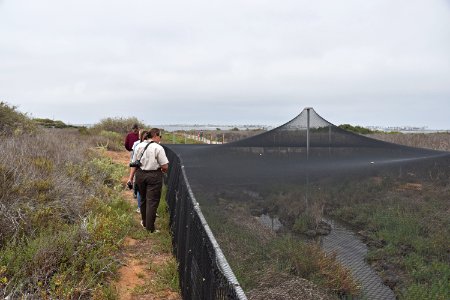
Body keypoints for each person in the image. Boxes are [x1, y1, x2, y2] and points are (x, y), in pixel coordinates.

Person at [128, 128, 169, 232]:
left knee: (143, 200)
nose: (160, 138)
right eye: (160, 136)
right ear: (155, 135)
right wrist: (162, 170)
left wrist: (131, 178)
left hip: (140, 175)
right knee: (152, 202)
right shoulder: (158, 148)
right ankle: (150, 229)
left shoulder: (138, 146)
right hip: (154, 176)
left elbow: (134, 164)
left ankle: (145, 223)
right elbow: (165, 166)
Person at [128, 130, 149, 213]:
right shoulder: (154, 145)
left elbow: (133, 156)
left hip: (139, 169)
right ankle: (148, 208)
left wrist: (131, 177)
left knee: (140, 190)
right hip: (151, 171)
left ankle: (140, 207)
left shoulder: (137, 144)